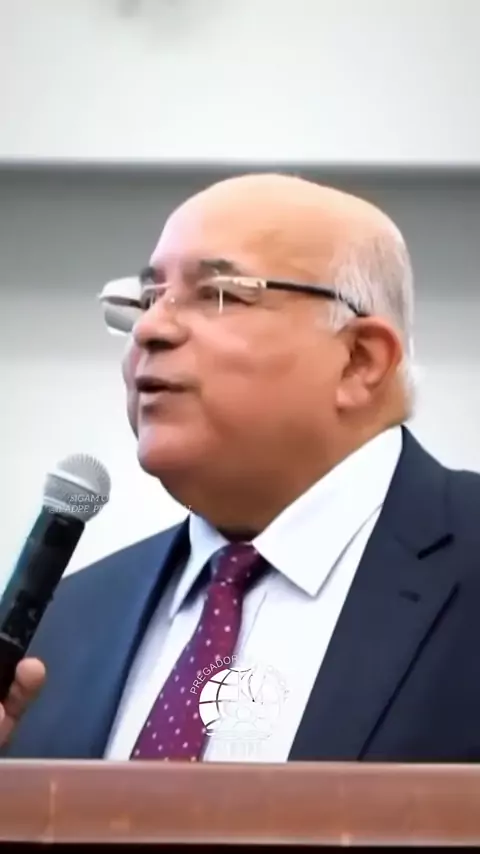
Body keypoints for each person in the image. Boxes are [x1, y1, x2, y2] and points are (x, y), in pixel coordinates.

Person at [2, 172, 480, 762]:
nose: (150, 328)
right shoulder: (62, 626)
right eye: (147, 299)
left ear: (359, 361)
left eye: (218, 294)